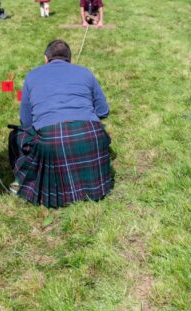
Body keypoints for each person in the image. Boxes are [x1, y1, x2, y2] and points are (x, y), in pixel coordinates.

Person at [9, 40, 113, 207]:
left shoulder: (32, 76)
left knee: (15, 136)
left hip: (52, 141)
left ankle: (22, 180)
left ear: (46, 58)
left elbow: (26, 122)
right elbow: (103, 111)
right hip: (91, 136)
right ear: (70, 59)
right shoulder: (85, 73)